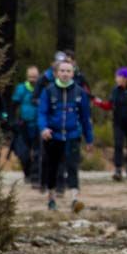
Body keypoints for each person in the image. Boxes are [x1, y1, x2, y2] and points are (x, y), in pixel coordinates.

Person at [37, 59, 94, 212]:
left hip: (72, 136)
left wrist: (89, 139)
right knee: (52, 167)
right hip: (53, 136)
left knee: (72, 166)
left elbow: (85, 117)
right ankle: (51, 198)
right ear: (57, 73)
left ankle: (75, 199)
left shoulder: (80, 92)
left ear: (73, 73)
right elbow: (42, 112)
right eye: (62, 71)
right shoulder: (48, 91)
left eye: (68, 71)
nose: (65, 74)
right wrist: (43, 129)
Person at [95, 68, 127, 181]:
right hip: (118, 122)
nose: (116, 79)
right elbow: (110, 105)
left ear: (125, 78)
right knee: (118, 145)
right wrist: (99, 103)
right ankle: (118, 169)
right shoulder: (115, 90)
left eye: (118, 77)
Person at [10, 66, 40, 184]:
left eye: (35, 77)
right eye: (31, 77)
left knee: (38, 152)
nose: (33, 79)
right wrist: (12, 121)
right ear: (27, 77)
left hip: (38, 125)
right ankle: (27, 173)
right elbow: (13, 105)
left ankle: (36, 175)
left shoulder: (43, 88)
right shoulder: (21, 89)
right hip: (24, 125)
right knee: (24, 153)